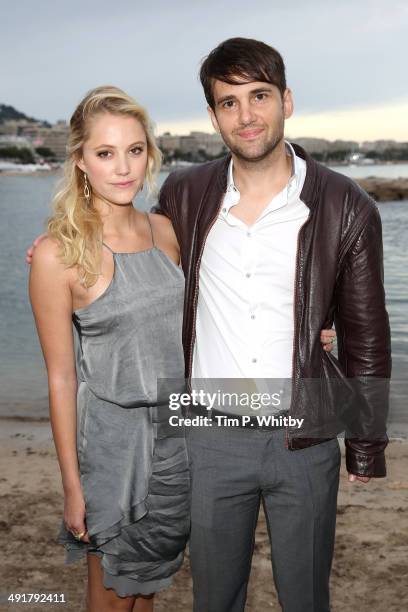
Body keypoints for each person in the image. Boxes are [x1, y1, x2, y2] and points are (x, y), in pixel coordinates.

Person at [152, 38, 391, 612]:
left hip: (303, 437)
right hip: (207, 435)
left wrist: (365, 445)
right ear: (212, 116)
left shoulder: (344, 203)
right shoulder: (184, 193)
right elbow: (132, 263)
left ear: (286, 99)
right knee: (213, 598)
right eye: (228, 102)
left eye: (259, 96)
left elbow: (365, 333)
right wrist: (64, 247)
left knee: (306, 598)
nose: (246, 115)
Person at [28, 86, 190, 612]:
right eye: (105, 153)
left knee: (144, 593)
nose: (123, 168)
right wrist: (72, 486)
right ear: (80, 161)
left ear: (150, 154)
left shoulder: (166, 232)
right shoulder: (58, 255)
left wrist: (315, 329)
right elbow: (61, 379)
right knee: (112, 598)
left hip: (178, 445)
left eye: (135, 150)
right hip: (113, 453)